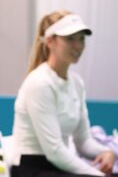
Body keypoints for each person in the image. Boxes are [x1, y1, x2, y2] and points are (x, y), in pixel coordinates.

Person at [10, 10, 117, 177]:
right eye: (70, 39)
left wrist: (109, 153)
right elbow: (54, 151)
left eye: (82, 39)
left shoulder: (76, 83)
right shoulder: (40, 83)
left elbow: (84, 142)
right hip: (30, 169)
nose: (78, 45)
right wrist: (96, 174)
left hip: (58, 166)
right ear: (50, 41)